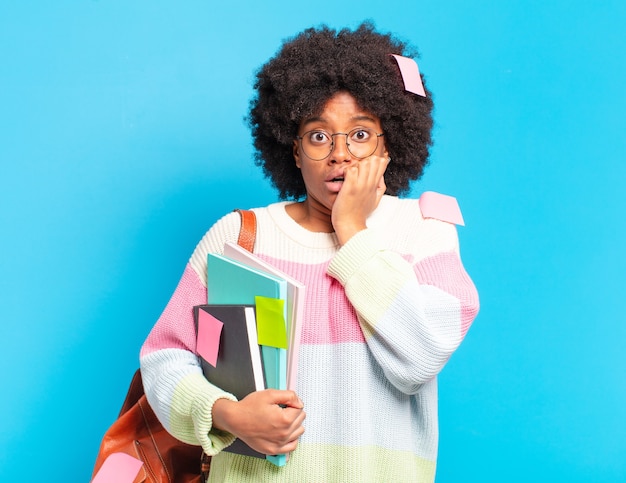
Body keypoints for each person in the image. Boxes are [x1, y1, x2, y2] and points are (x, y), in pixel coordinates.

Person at [140, 22, 480, 482]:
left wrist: (353, 232)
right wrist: (226, 413)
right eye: (319, 136)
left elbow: (420, 359)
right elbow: (166, 358)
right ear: (294, 150)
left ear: (390, 144)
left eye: (360, 135)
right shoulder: (238, 238)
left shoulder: (423, 232)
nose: (340, 154)